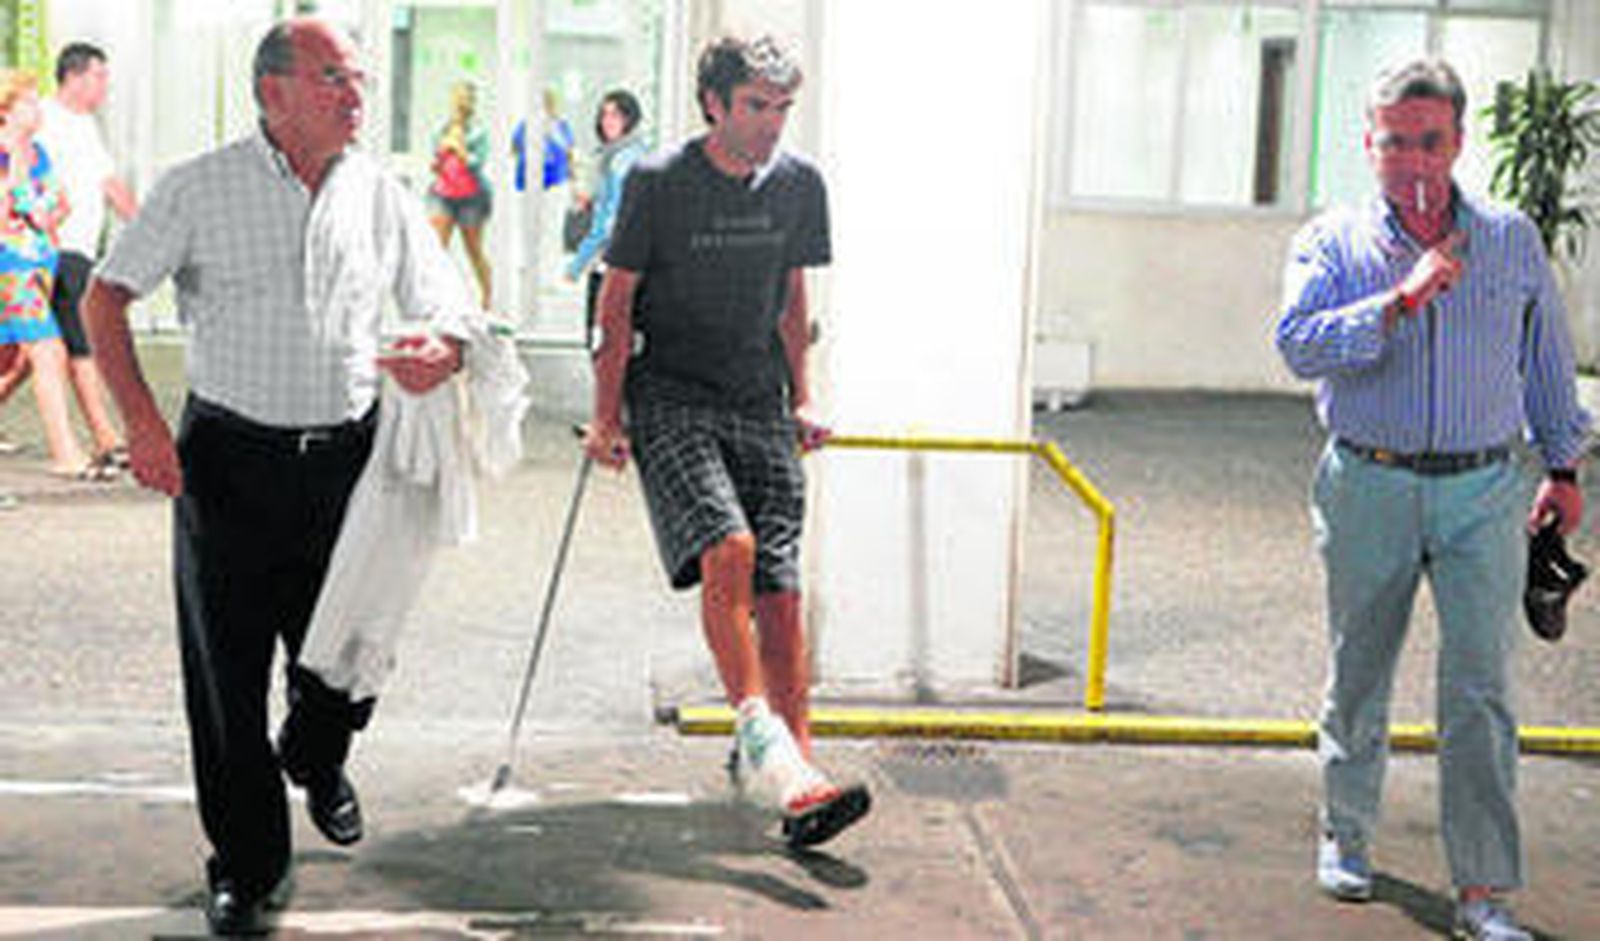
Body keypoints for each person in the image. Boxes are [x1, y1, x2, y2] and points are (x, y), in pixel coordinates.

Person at [81, 18, 474, 935]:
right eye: (335, 77)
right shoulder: (198, 187)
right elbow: (105, 299)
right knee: (226, 677)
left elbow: (443, 295)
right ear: (275, 93)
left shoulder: (376, 191)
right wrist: (142, 422)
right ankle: (248, 864)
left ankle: (321, 752)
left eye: (358, 80)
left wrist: (445, 348)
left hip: (348, 463)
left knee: (346, 653)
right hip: (227, 463)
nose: (355, 95)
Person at [1276, 59, 1588, 941]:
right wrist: (1398, 301)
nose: (1413, 159)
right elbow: (1297, 346)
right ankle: (1347, 832)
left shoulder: (1512, 238)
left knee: (1481, 688)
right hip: (1367, 479)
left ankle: (1485, 888)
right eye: (1394, 142)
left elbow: (1546, 362)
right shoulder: (1331, 242)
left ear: (1458, 141)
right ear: (1367, 142)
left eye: (1431, 140)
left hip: (1485, 489)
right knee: (1360, 670)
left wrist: (1563, 468)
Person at [583, 35, 870, 849]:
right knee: (731, 546)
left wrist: (804, 399)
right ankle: (762, 744)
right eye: (755, 106)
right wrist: (608, 417)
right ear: (714, 102)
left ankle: (801, 781)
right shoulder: (657, 181)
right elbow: (618, 303)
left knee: (780, 593)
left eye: (782, 108)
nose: (771, 123)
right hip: (671, 396)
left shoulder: (800, 185)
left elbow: (791, 299)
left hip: (758, 399)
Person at [33, 41, 139, 472]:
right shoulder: (41, 118)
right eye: (99, 77)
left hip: (77, 247)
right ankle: (104, 435)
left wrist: (151, 230)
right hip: (53, 247)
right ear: (74, 76)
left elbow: (109, 183)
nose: (104, 88)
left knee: (37, 350)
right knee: (78, 342)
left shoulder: (84, 125)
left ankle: (103, 435)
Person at [0, 68, 106, 481]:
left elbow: (62, 203)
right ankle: (66, 453)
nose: (37, 107)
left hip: (40, 265)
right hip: (10, 268)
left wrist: (49, 214)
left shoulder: (38, 151)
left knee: (16, 358)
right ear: (5, 111)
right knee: (47, 350)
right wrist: (25, 198)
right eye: (28, 100)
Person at [566, 88, 647, 350]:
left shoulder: (620, 160)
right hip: (633, 261)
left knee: (601, 342)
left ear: (630, 119)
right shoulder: (633, 153)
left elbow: (610, 220)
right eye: (604, 115)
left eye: (616, 115)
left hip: (612, 261)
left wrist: (577, 264)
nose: (607, 121)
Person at [427, 80, 492, 308]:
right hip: (443, 193)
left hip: (471, 196)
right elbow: (435, 163)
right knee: (436, 248)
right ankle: (436, 300)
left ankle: (487, 298)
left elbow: (478, 162)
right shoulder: (440, 128)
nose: (460, 103)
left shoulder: (479, 131)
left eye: (465, 98)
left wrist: (460, 148)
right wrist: (440, 154)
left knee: (473, 250)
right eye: (457, 98)